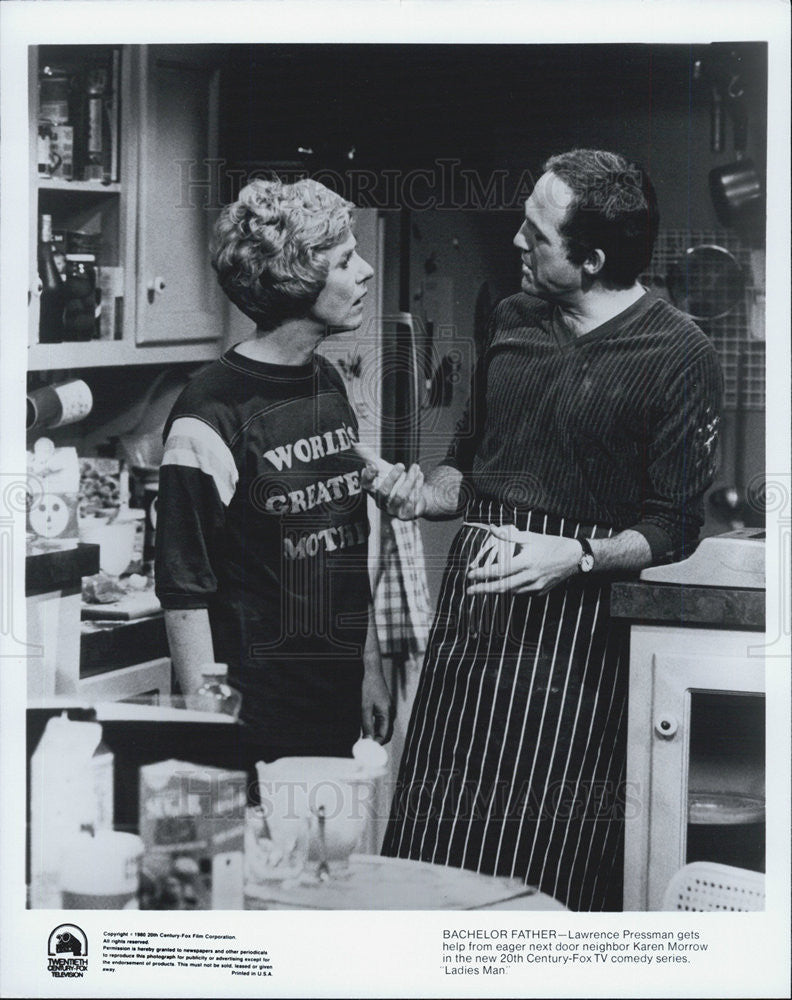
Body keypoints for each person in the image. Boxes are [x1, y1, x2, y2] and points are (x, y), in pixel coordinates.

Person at [363, 149, 722, 911]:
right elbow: (469, 465)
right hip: (471, 628)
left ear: (591, 259)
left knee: (542, 868)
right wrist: (421, 497)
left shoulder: (679, 353)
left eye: (537, 234)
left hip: (573, 646)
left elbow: (675, 524)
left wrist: (583, 555)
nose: (518, 243)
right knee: (429, 857)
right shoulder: (514, 316)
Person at [155, 178, 392, 778]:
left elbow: (347, 542)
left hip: (333, 703)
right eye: (344, 261)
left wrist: (367, 668)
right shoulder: (209, 414)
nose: (365, 271)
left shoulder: (327, 383)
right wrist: (212, 732)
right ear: (296, 280)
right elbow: (184, 589)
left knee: (324, 868)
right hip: (253, 716)